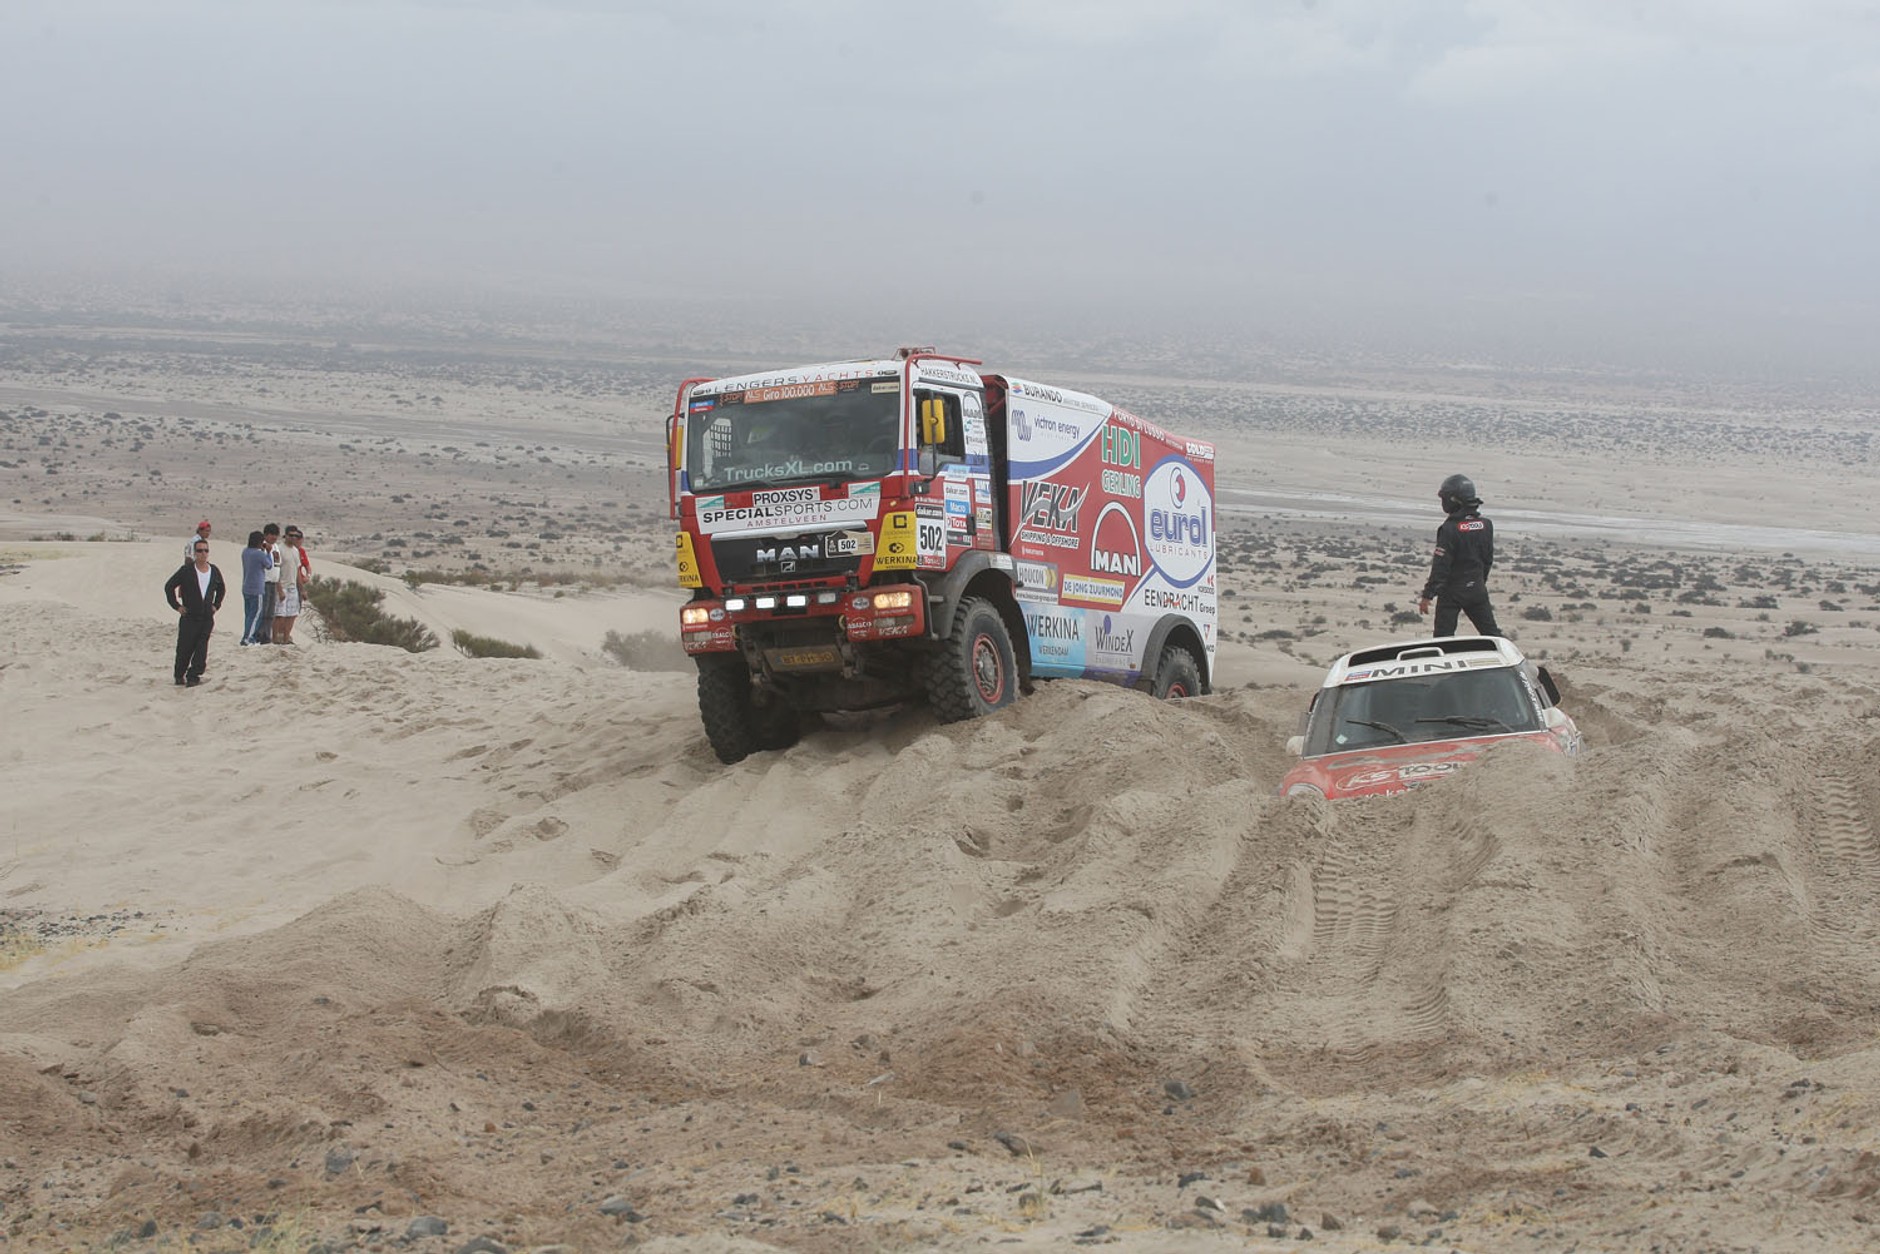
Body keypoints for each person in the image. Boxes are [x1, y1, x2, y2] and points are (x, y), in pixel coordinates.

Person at [1418, 473, 1502, 638]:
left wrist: (1428, 595)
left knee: (1443, 639)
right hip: (1477, 589)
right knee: (1493, 635)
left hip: (1452, 593)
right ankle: (1517, 661)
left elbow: (1441, 567)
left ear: (1453, 500)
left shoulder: (1449, 529)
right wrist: (1478, 581)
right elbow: (1488, 559)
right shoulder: (1486, 525)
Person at [165, 537, 226, 686]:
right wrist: (177, 606)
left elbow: (221, 588)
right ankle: (179, 674)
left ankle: (194, 676)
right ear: (194, 553)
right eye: (199, 551)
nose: (203, 554)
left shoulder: (214, 570)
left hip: (206, 617)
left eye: (206, 550)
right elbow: (169, 586)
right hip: (189, 616)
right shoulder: (186, 571)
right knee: (185, 648)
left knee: (201, 647)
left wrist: (216, 605)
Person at [271, 525, 307, 645]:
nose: (293, 538)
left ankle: (286, 639)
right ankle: (275, 638)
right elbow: (275, 570)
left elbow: (297, 571)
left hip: (293, 588)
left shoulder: (296, 551)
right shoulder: (279, 549)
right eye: (291, 535)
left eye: (295, 536)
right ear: (285, 535)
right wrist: (279, 589)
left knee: (291, 615)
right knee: (279, 615)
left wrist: (301, 589)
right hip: (282, 586)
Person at [238, 530, 273, 645]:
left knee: (249, 615)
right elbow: (269, 565)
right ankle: (249, 638)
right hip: (257, 588)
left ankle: (246, 635)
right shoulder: (259, 554)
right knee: (257, 615)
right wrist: (268, 552)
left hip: (246, 586)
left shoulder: (245, 552)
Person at [254, 522, 282, 645]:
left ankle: (266, 635)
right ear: (265, 535)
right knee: (263, 611)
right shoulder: (261, 547)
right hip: (263, 582)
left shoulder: (276, 547)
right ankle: (259, 634)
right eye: (271, 535)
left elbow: (277, 566)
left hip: (273, 582)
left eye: (276, 535)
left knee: (271, 612)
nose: (274, 537)